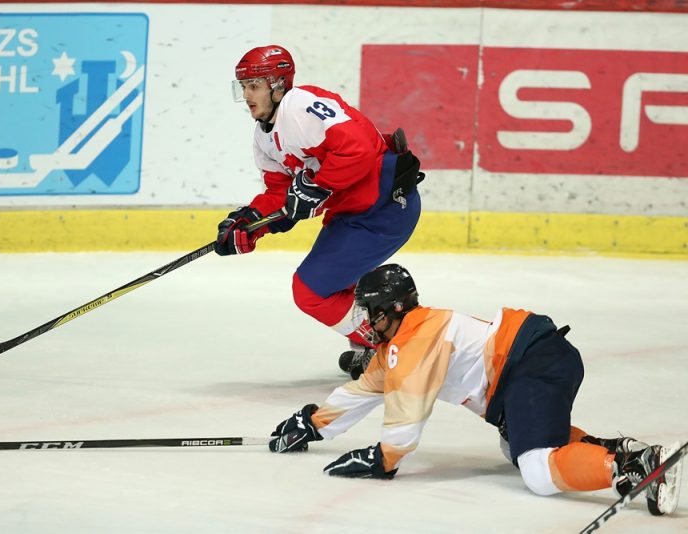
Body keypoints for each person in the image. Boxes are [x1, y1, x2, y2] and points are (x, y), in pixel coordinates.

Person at [267, 264, 683, 516]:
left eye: (370, 312)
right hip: (532, 359)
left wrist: (384, 459)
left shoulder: (413, 343)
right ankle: (617, 450)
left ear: (390, 309)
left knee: (537, 471)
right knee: (516, 449)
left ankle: (636, 467)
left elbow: (406, 419)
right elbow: (365, 389)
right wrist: (313, 424)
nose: (365, 321)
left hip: (530, 362)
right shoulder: (405, 337)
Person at [214, 45, 424, 378]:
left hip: (382, 207)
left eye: (253, 85)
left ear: (279, 84)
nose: (247, 94)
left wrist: (319, 184)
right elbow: (280, 194)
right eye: (243, 86)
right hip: (353, 214)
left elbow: (358, 147)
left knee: (310, 290)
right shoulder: (263, 138)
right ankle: (383, 343)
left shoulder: (301, 107)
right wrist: (250, 222)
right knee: (329, 287)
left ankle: (397, 345)